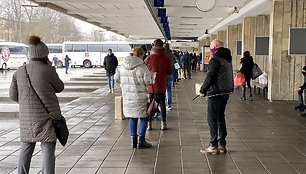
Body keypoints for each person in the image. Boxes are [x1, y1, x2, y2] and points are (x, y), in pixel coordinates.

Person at [9, 35, 64, 174]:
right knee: (47, 150)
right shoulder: (48, 70)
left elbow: (13, 95)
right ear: (44, 55)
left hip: (27, 119)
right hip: (47, 117)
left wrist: (27, 104)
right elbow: (59, 87)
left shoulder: (19, 72)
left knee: (26, 148)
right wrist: (53, 70)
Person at [199, 39, 234, 155]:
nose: (211, 50)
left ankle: (213, 146)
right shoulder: (227, 57)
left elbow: (211, 76)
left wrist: (203, 90)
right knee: (220, 117)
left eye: (212, 48)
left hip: (216, 92)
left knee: (212, 118)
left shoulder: (216, 59)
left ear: (217, 46)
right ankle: (222, 144)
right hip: (226, 91)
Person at [115, 48, 154, 148]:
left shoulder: (122, 66)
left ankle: (133, 140)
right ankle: (141, 140)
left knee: (132, 117)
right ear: (140, 55)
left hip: (128, 97)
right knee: (143, 117)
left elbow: (116, 79)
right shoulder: (142, 67)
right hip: (140, 97)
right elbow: (147, 81)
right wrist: (153, 77)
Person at [145, 39, 172, 130]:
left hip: (151, 86)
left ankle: (149, 124)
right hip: (161, 85)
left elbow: (144, 69)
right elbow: (170, 71)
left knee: (150, 104)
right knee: (162, 104)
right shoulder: (166, 58)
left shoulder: (149, 57)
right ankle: (163, 123)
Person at [164, 43, 174, 110]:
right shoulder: (171, 54)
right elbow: (173, 63)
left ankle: (162, 104)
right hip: (169, 75)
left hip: (163, 76)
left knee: (163, 91)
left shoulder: (163, 55)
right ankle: (169, 104)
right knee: (169, 90)